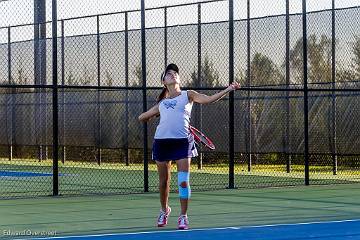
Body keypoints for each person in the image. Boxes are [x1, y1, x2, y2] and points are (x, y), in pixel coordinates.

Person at [138, 63, 240, 230]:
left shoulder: (188, 95)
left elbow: (208, 100)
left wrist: (228, 89)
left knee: (183, 181)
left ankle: (183, 216)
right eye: (169, 73)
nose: (173, 74)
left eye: (175, 73)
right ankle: (165, 210)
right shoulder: (162, 103)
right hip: (162, 142)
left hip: (182, 143)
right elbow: (141, 117)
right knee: (164, 182)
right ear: (164, 81)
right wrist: (152, 115)